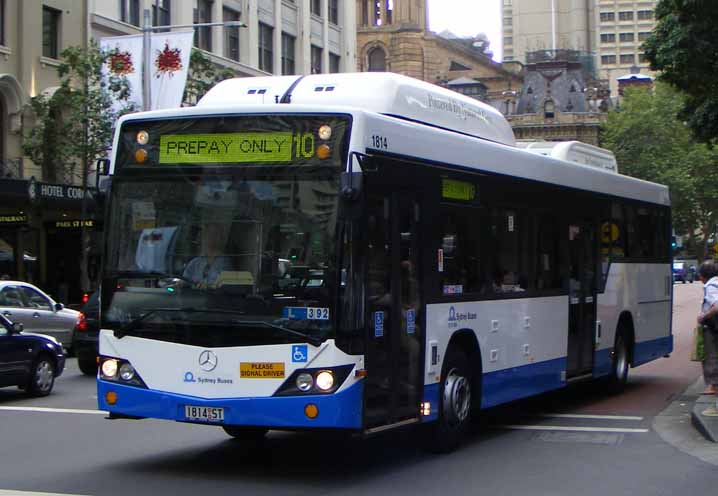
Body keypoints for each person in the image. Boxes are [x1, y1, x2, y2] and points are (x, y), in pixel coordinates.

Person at [696, 260, 718, 416]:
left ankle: (713, 385)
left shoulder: (710, 286)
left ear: (703, 276)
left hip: (713, 327)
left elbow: (717, 305)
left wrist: (704, 316)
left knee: (711, 355)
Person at [182, 222, 233, 288]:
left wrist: (209, 286)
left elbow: (226, 287)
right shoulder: (195, 263)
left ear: (221, 238)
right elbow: (184, 282)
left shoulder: (226, 263)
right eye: (208, 234)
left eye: (215, 234)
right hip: (193, 297)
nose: (211, 237)